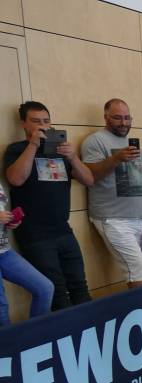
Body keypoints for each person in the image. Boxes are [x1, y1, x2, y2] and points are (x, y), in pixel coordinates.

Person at [3, 100, 94, 310]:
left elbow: (89, 180)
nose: (43, 126)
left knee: (80, 286)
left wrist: (73, 157)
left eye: (46, 121)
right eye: (36, 121)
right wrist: (33, 145)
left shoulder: (59, 151)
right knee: (57, 292)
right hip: (35, 235)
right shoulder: (17, 149)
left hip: (63, 230)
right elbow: (15, 179)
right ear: (24, 124)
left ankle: (88, 324)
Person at [81, 98, 142, 288]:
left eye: (127, 118)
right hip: (113, 218)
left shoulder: (130, 141)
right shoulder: (95, 141)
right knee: (136, 268)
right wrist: (116, 159)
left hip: (137, 216)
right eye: (118, 118)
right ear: (106, 118)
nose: (124, 122)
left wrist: (137, 180)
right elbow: (90, 175)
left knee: (141, 269)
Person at [0, 181, 54, 325]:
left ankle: (35, 334)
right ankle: (8, 340)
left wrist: (9, 222)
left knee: (45, 288)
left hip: (4, 251)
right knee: (1, 308)